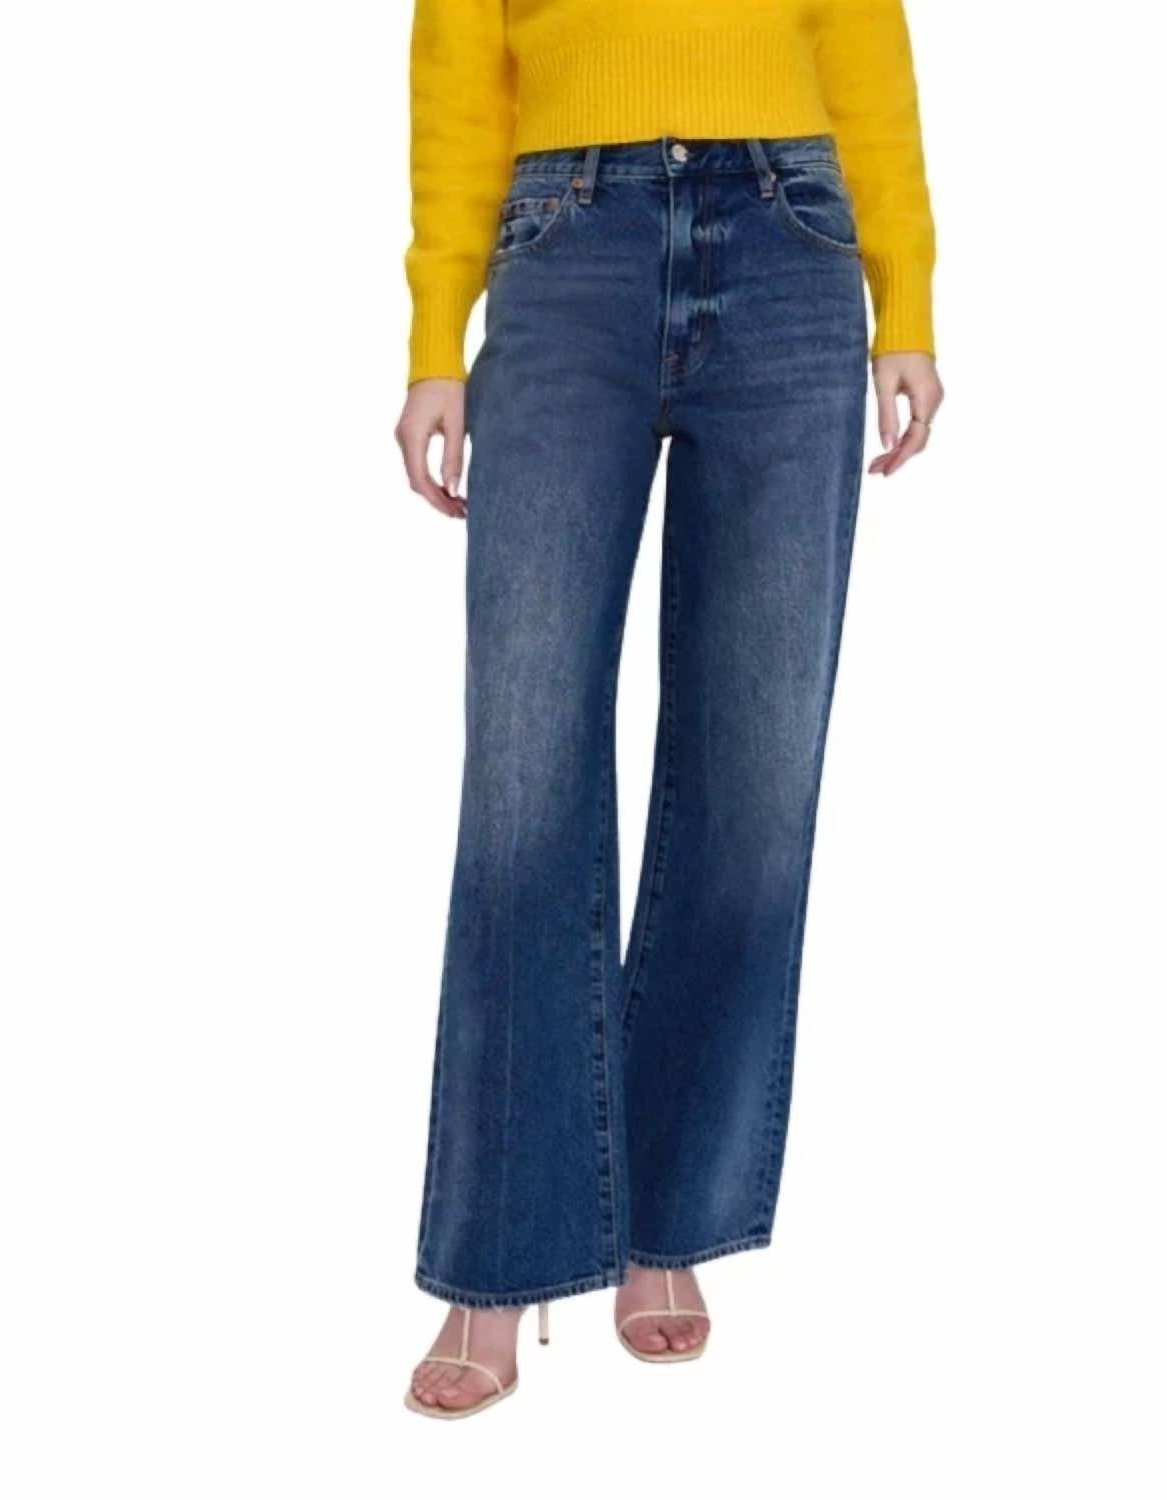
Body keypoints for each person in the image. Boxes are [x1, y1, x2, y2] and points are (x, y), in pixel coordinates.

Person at [394, 0, 943, 1419]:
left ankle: (667, 1222)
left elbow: (863, 42)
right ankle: (501, 1259)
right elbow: (459, 65)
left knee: (753, 775)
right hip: (565, 239)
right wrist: (437, 337)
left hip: (790, 239)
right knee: (524, 777)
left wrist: (907, 300)